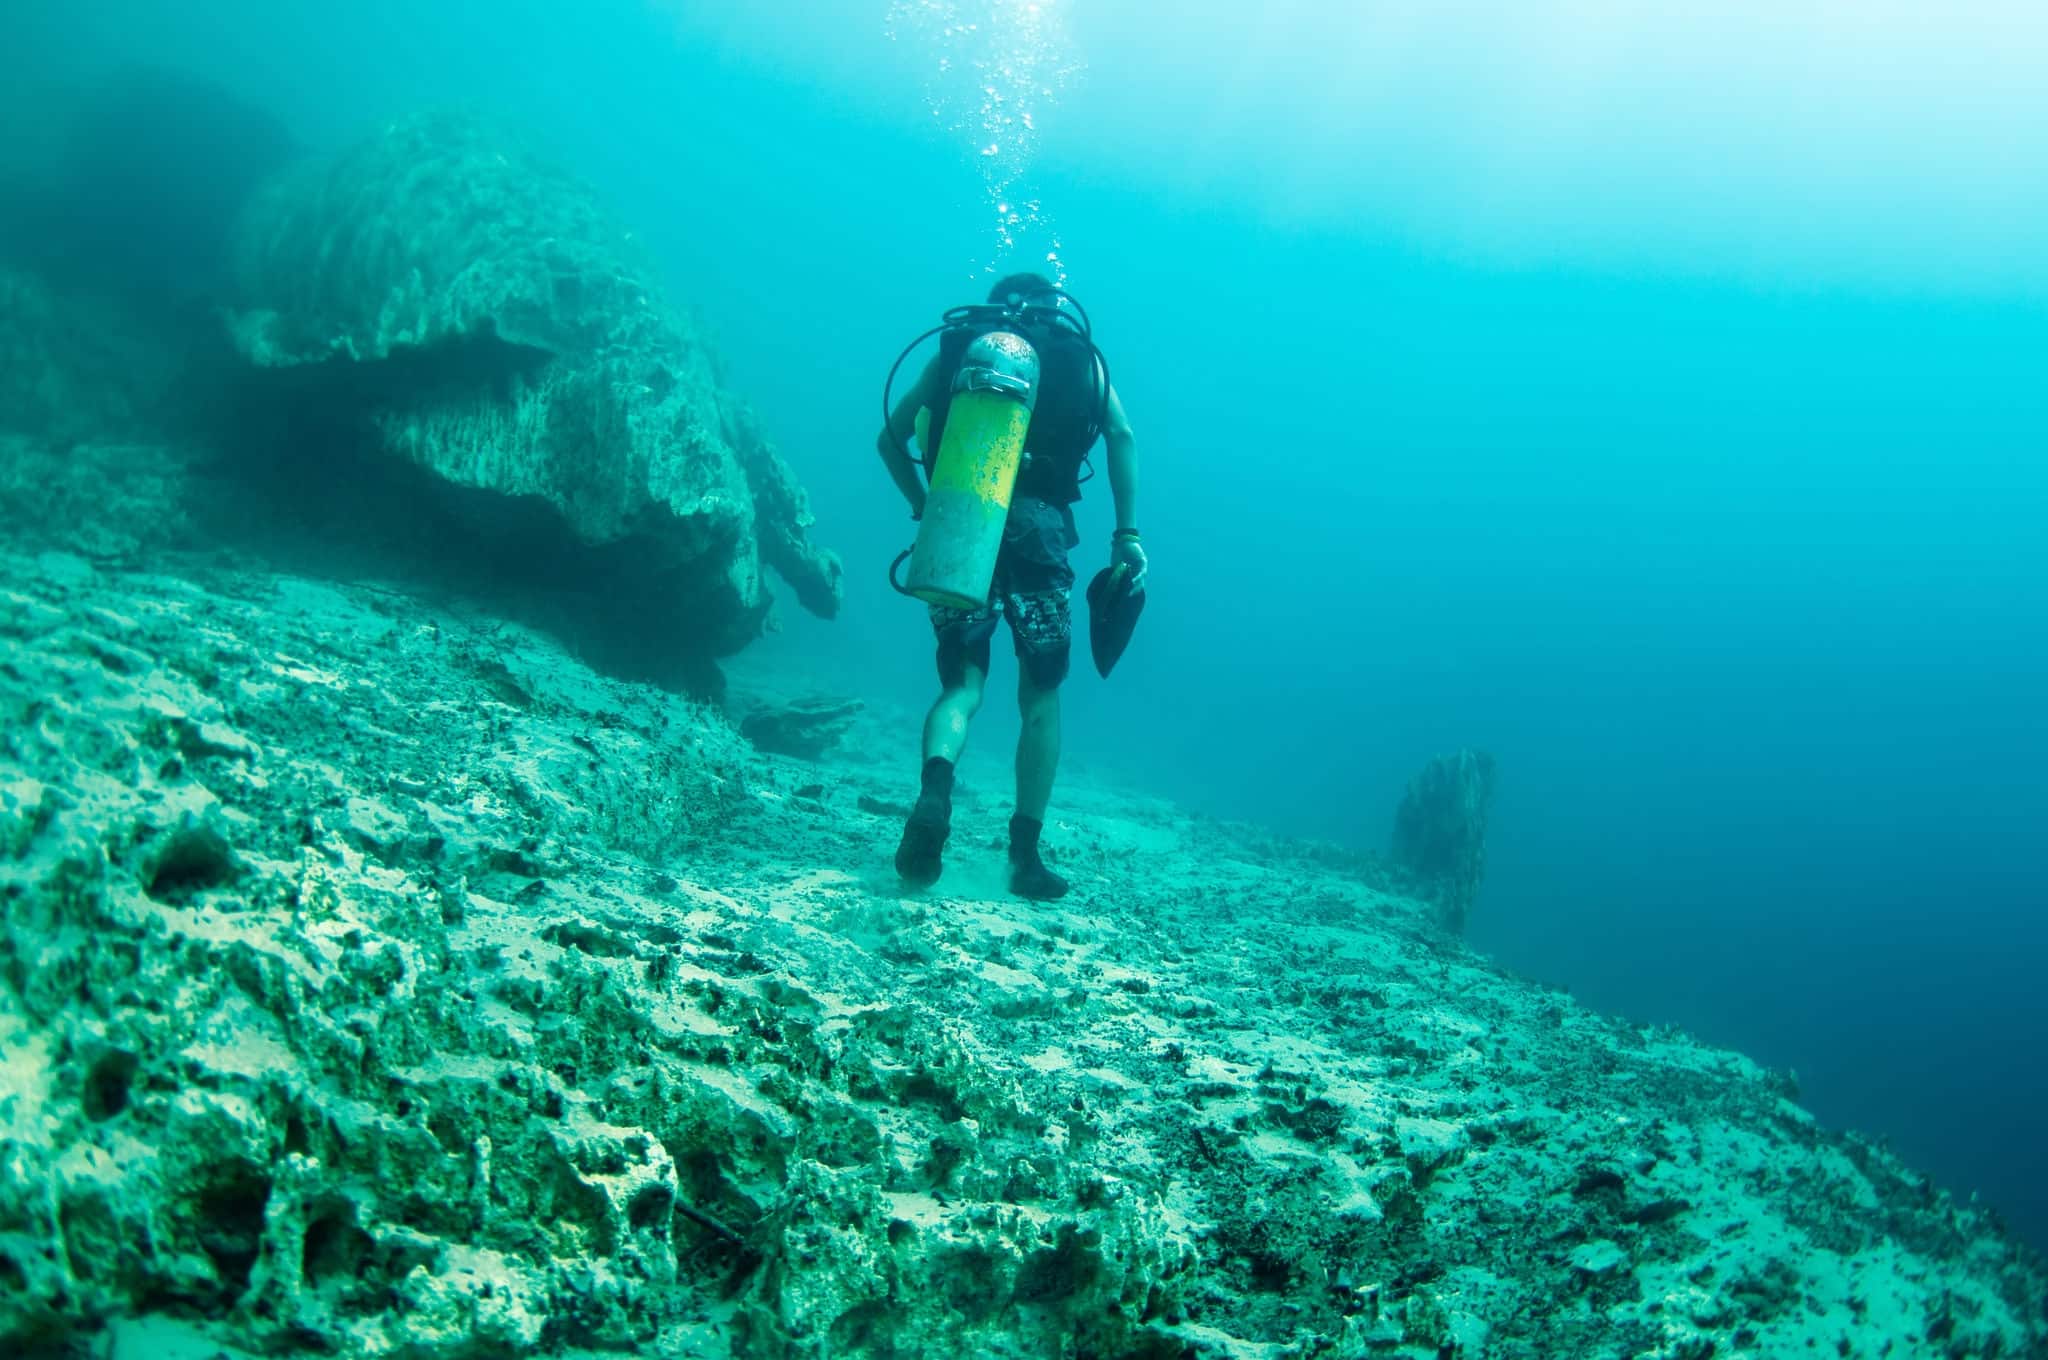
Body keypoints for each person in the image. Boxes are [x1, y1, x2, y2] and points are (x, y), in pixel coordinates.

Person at [875, 272, 1144, 900]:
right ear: (1055, 310)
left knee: (961, 685)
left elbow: (889, 440)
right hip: (1038, 532)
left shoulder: (959, 348)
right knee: (1040, 696)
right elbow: (1123, 436)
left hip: (958, 521)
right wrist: (1126, 533)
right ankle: (1024, 860)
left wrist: (925, 506)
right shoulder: (1076, 356)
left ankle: (935, 796)